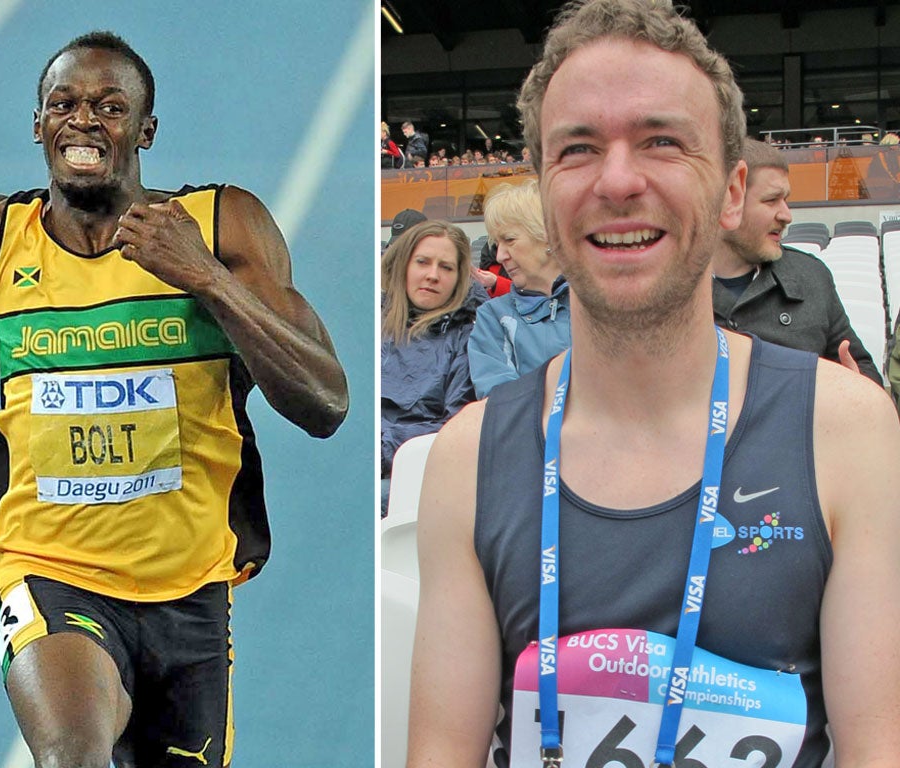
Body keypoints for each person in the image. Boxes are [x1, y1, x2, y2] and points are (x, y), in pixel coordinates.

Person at [407, 1, 900, 766]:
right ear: (543, 189)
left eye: (661, 142)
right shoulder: (467, 459)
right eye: (577, 149)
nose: (618, 179)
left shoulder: (848, 434)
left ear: (731, 191)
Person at [0, 31, 348, 768]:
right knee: (71, 753)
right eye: (64, 104)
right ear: (38, 125)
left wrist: (206, 279)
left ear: (145, 131)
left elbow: (325, 402)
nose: (84, 120)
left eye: (110, 107)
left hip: (192, 587)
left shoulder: (219, 227)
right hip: (48, 563)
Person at [712, 138, 881, 383]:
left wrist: (857, 389)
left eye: (786, 200)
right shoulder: (671, 287)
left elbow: (862, 369)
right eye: (771, 200)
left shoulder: (811, 276)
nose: (787, 215)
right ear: (729, 200)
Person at [381, 220, 479, 516]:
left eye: (446, 268)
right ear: (404, 266)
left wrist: (385, 446)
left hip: (414, 472)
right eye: (423, 262)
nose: (433, 276)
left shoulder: (468, 337)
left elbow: (457, 426)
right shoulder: (370, 323)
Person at [467, 179, 571, 398]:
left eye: (510, 240)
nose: (500, 256)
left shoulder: (598, 304)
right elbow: (500, 401)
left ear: (548, 236)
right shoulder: (492, 317)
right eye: (497, 244)